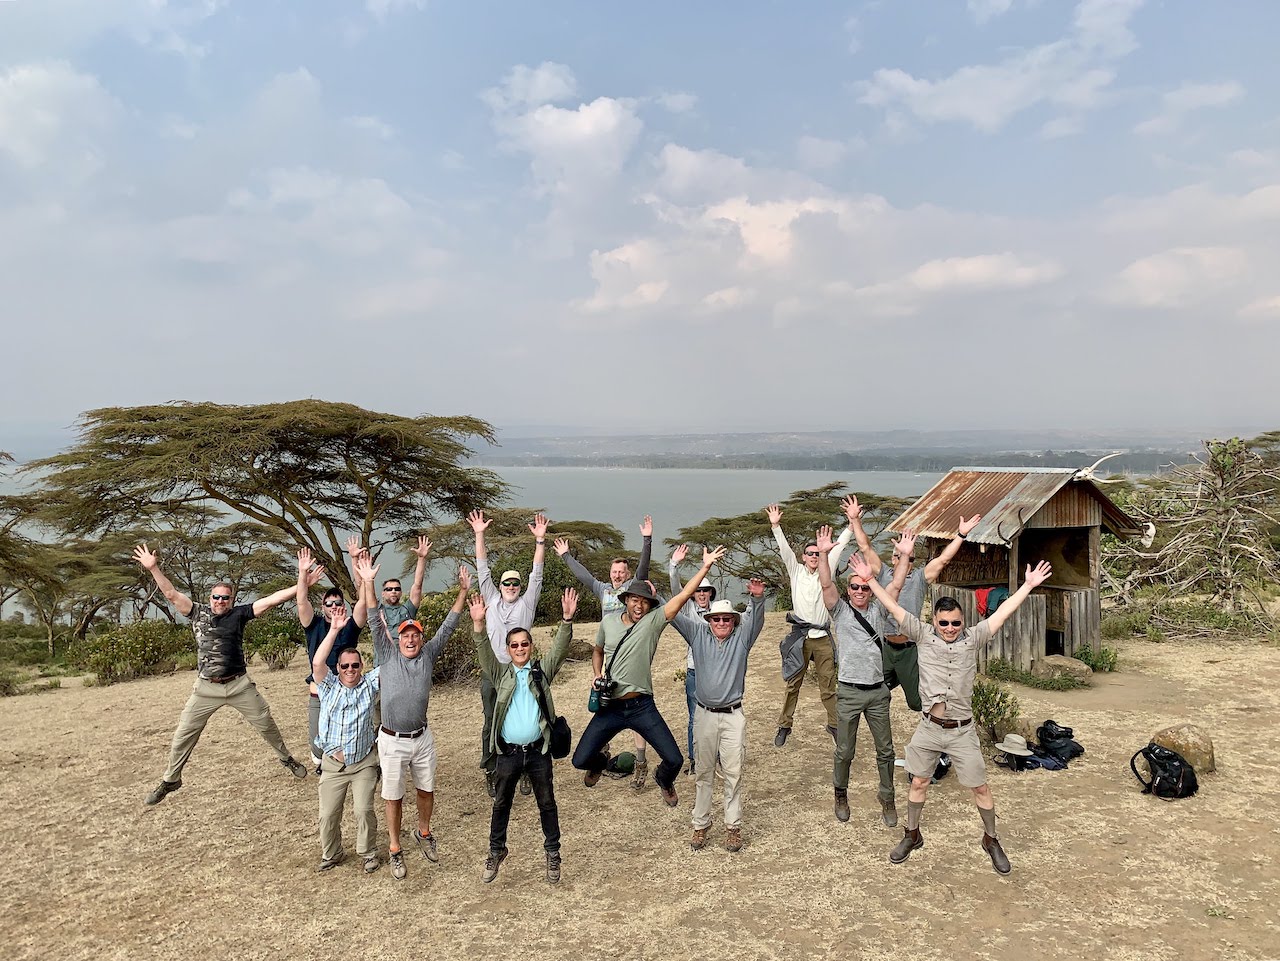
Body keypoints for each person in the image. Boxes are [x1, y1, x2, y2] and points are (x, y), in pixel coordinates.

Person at [850, 552, 1053, 875]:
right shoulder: (922, 636)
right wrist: (871, 580)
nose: (949, 628)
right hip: (930, 728)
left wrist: (1027, 586)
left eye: (955, 623)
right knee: (918, 783)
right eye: (943, 623)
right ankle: (912, 834)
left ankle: (991, 839)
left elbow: (1003, 613)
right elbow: (893, 607)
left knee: (981, 788)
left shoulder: (974, 638)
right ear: (934, 622)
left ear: (963, 622)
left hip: (962, 730)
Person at [134, 543, 309, 806]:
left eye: (225, 598)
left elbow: (274, 598)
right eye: (216, 597)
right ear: (210, 598)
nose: (220, 601)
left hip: (239, 685)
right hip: (206, 688)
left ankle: (286, 758)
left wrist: (303, 579)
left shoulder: (240, 614)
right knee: (184, 733)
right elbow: (170, 594)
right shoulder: (196, 612)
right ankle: (171, 779)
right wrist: (153, 568)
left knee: (266, 723)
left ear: (232, 600)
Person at [572, 546, 727, 809]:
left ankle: (663, 780)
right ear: (626, 600)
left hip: (641, 705)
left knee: (675, 760)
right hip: (611, 705)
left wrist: (705, 567)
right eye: (635, 600)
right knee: (580, 760)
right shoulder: (608, 623)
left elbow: (685, 594)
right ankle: (599, 764)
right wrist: (597, 675)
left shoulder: (654, 621)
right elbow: (597, 651)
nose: (639, 605)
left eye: (644, 602)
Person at [357, 553, 469, 881]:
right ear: (397, 638)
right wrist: (368, 581)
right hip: (391, 739)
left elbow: (449, 625)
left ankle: (423, 832)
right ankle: (394, 847)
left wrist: (463, 591)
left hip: (422, 738)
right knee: (393, 795)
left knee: (426, 789)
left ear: (421, 638)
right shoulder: (388, 653)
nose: (409, 639)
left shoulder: (428, 655)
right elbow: (376, 617)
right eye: (405, 634)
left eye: (415, 634)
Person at [471, 587, 579, 884]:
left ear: (531, 646)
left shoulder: (541, 672)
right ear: (507, 649)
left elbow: (559, 649)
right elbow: (483, 650)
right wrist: (479, 625)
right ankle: (496, 850)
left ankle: (553, 853)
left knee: (547, 803)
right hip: (508, 752)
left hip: (538, 752)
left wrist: (566, 620)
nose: (519, 648)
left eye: (524, 644)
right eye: (514, 645)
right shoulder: (500, 673)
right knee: (501, 803)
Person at [835, 496, 980, 714]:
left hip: (909, 649)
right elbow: (864, 546)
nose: (904, 560)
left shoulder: (921, 578)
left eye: (910, 558)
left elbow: (943, 560)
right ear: (893, 557)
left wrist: (961, 535)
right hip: (883, 646)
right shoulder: (882, 573)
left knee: (916, 703)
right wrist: (855, 520)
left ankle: (938, 723)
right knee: (876, 689)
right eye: (899, 555)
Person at [815, 525, 909, 827]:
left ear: (870, 588)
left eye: (864, 587)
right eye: (854, 587)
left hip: (877, 692)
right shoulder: (840, 612)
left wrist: (904, 557)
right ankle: (840, 793)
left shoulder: (879, 613)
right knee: (844, 750)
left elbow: (894, 586)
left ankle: (888, 797)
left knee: (886, 750)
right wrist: (825, 555)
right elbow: (827, 585)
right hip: (849, 692)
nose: (858, 591)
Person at [554, 516, 655, 789]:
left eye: (622, 571)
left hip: (632, 663)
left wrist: (647, 539)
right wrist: (566, 556)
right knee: (602, 711)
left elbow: (643, 569)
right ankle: (600, 755)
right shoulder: (603, 590)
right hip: (609, 664)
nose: (617, 575)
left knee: (636, 717)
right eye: (614, 571)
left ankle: (641, 764)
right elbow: (584, 576)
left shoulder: (634, 590)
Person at [669, 575, 767, 852]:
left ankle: (733, 827)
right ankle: (700, 825)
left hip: (733, 715)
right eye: (716, 619)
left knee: (734, 773)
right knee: (703, 772)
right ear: (708, 620)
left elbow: (757, 620)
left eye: (727, 619)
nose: (721, 623)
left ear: (734, 621)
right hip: (704, 714)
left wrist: (757, 598)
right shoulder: (697, 633)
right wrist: (665, 589)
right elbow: (673, 613)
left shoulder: (742, 638)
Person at [471, 509, 548, 798]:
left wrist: (540, 542)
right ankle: (491, 770)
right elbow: (482, 568)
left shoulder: (527, 603)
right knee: (491, 720)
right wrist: (480, 534)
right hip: (494, 672)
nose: (512, 587)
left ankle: (527, 769)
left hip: (522, 673)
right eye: (507, 583)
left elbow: (537, 575)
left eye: (516, 583)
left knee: (527, 720)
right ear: (500, 587)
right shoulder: (490, 599)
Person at [766, 503, 852, 747]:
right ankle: (784, 725)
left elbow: (841, 545)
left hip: (822, 636)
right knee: (793, 684)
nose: (815, 556)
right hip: (799, 637)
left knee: (828, 686)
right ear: (803, 557)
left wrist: (851, 524)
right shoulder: (796, 572)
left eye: (817, 553)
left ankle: (834, 724)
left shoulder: (827, 569)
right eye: (811, 554)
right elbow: (784, 551)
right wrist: (775, 526)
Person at [310, 608, 381, 874]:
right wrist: (334, 630)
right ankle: (332, 853)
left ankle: (368, 852)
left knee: (363, 810)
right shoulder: (328, 686)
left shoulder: (370, 684)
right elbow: (318, 664)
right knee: (328, 815)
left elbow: (391, 662)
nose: (350, 670)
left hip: (363, 762)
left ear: (362, 666)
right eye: (345, 666)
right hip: (333, 765)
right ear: (337, 668)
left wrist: (380, 625)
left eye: (355, 665)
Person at [295, 547, 367, 770]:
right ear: (322, 607)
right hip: (320, 691)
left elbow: (363, 603)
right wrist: (303, 575)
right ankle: (323, 761)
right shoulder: (313, 624)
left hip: (347, 690)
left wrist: (358, 568)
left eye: (338, 603)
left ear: (343, 607)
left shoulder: (351, 626)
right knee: (317, 747)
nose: (334, 607)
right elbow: (301, 601)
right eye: (329, 603)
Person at [668, 543, 717, 775]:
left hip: (717, 672)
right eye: (698, 590)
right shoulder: (687, 610)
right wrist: (674, 565)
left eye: (705, 591)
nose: (701, 594)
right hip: (694, 671)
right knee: (694, 718)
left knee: (716, 716)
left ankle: (715, 757)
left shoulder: (719, 612)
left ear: (710, 594)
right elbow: (676, 589)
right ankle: (694, 760)